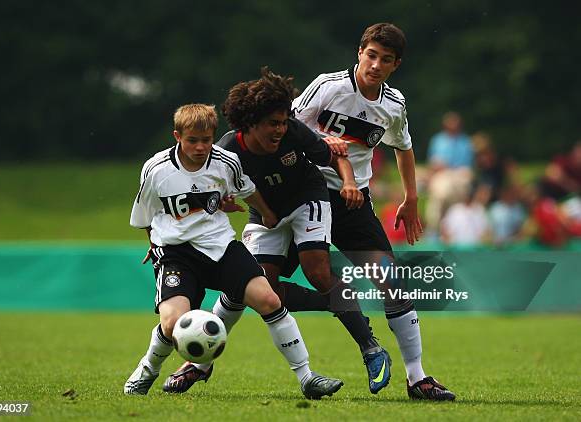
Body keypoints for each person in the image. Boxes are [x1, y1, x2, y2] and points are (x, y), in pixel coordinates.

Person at [166, 69, 393, 396]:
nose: (281, 128)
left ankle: (370, 348)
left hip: (307, 200)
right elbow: (205, 192)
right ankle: (201, 363)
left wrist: (346, 182)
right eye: (273, 123)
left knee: (317, 271)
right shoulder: (227, 150)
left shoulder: (294, 133)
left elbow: (337, 155)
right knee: (251, 287)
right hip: (265, 214)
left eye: (284, 121)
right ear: (251, 123)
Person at [123, 104, 343, 399]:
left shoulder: (226, 162)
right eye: (192, 140)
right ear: (177, 136)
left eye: (206, 139)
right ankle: (147, 370)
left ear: (214, 136)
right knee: (173, 322)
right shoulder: (156, 169)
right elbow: (144, 216)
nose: (200, 147)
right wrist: (154, 243)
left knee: (269, 299)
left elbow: (246, 188)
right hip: (177, 254)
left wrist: (266, 213)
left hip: (221, 247)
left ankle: (307, 377)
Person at [291, 23, 455, 400]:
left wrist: (411, 198)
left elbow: (404, 147)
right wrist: (322, 143)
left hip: (353, 204)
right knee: (256, 279)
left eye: (386, 59)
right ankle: (198, 362)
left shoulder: (393, 105)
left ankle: (417, 378)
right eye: (371, 55)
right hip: (305, 198)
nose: (376, 64)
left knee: (391, 279)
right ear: (359, 52)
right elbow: (288, 130)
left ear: (396, 65)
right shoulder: (328, 86)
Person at [425, 112, 474, 236]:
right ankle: (436, 229)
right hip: (442, 175)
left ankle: (447, 228)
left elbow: (467, 166)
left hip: (458, 175)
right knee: (442, 192)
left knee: (448, 190)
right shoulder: (438, 140)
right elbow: (433, 163)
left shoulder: (465, 142)